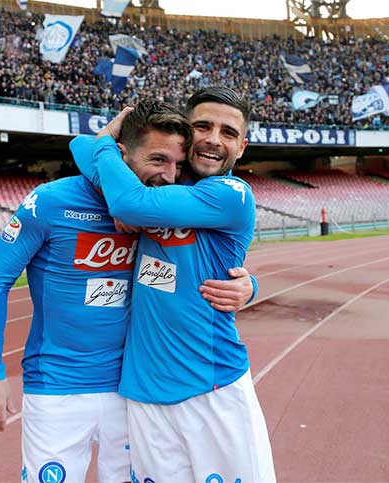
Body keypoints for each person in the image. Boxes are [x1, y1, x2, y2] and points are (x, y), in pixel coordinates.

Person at [0, 100, 258, 483]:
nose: (169, 175)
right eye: (158, 160)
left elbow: (205, 256)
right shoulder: (52, 201)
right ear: (121, 154)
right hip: (57, 385)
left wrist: (249, 285)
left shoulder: (164, 204)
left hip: (128, 390)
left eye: (177, 164)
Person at [69, 87, 276, 483]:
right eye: (203, 126)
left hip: (212, 386)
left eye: (228, 133)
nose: (214, 139)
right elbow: (80, 146)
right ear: (185, 131)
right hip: (145, 391)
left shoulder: (231, 195)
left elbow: (128, 202)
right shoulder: (160, 184)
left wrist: (120, 188)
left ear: (242, 147)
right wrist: (114, 169)